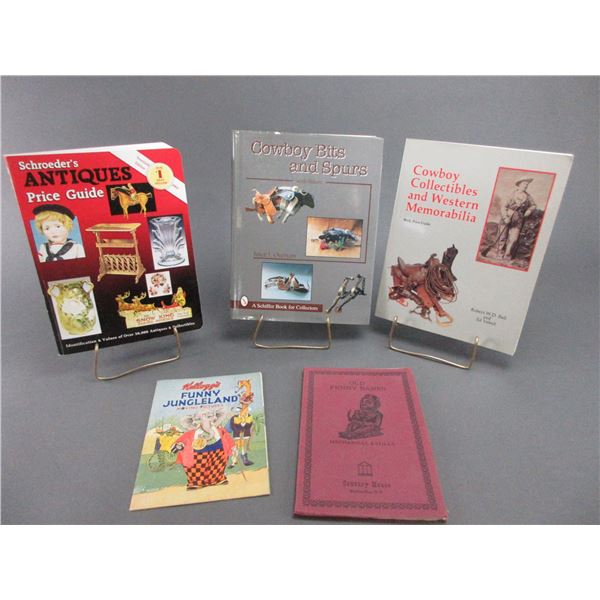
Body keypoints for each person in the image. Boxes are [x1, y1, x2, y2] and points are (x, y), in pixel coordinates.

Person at [498, 178, 537, 259]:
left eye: (527, 185)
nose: (525, 186)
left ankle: (507, 255)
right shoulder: (511, 194)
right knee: (502, 237)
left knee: (514, 239)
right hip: (507, 216)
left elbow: (533, 205)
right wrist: (505, 217)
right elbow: (503, 206)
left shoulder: (528, 197)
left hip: (518, 219)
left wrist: (529, 210)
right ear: (519, 185)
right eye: (524, 184)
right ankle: (500, 254)